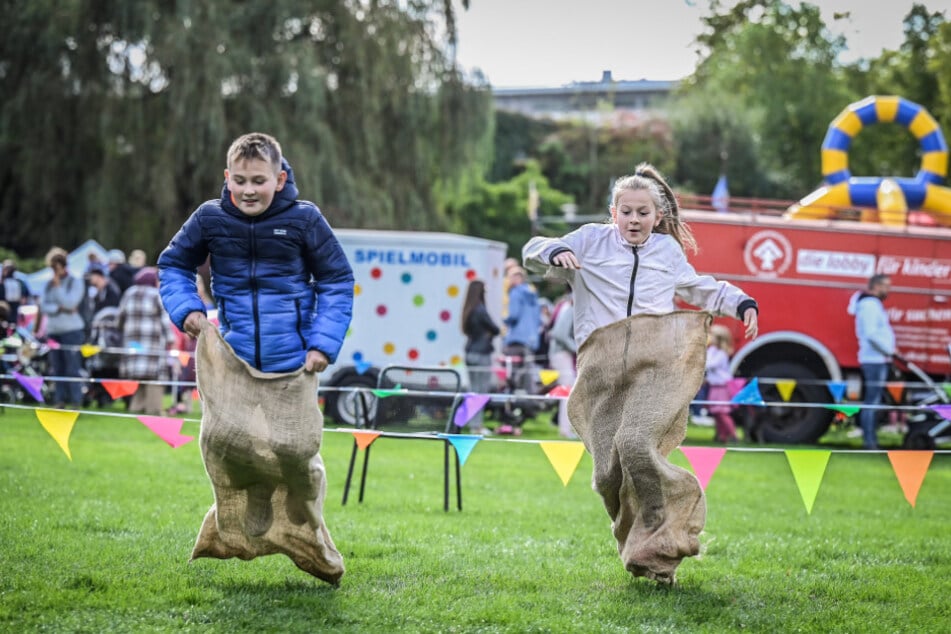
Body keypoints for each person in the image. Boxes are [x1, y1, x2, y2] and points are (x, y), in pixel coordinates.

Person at [523, 162, 758, 582]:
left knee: (634, 443)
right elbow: (533, 250)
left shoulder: (666, 252)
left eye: (643, 212)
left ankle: (667, 536)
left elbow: (697, 286)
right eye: (626, 212)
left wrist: (740, 302)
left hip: (656, 366)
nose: (634, 219)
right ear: (613, 213)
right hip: (602, 369)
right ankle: (637, 542)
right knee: (606, 475)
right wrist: (553, 251)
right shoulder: (590, 241)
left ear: (657, 216)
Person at [157, 131, 353, 583]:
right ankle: (250, 507)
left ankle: (307, 532)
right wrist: (187, 309)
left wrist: (323, 342)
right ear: (227, 177)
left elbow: (337, 280)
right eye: (240, 180)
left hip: (295, 360)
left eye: (259, 180)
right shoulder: (209, 218)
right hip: (234, 358)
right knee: (227, 441)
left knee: (295, 449)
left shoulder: (305, 220)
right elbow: (173, 264)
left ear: (280, 179)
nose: (248, 190)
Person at [847, 274, 896, 450]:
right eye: (886, 286)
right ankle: (870, 441)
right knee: (872, 402)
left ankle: (870, 439)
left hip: (878, 358)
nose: (888, 290)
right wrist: (889, 351)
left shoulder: (872, 305)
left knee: (873, 400)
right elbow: (871, 334)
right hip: (874, 359)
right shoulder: (869, 305)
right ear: (876, 286)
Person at [117, 267, 171, 415]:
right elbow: (165, 320)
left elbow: (119, 319)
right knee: (154, 377)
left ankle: (136, 408)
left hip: (133, 345)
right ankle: (154, 410)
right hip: (152, 343)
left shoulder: (128, 293)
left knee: (140, 378)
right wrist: (171, 338)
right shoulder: (156, 295)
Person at [40, 247, 87, 408]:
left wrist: (59, 287)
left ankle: (75, 401)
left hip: (72, 331)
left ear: (63, 265)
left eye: (56, 267)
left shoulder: (75, 281)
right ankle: (59, 401)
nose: (53, 271)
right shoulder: (47, 285)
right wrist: (59, 309)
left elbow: (71, 303)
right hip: (53, 331)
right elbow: (44, 306)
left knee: (72, 368)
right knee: (57, 368)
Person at [500, 266, 541, 433]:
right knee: (525, 383)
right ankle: (524, 414)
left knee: (510, 382)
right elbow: (538, 320)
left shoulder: (516, 293)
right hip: (530, 343)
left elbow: (513, 316)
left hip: (515, 341)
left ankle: (508, 419)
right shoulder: (533, 295)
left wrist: (504, 320)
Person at [461, 279, 500, 434]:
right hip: (482, 353)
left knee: (472, 391)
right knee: (481, 391)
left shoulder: (468, 309)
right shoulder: (480, 310)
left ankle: (472, 424)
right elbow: (495, 329)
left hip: (470, 352)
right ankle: (477, 426)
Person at [546, 293, 577, 438]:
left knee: (570, 391)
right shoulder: (571, 310)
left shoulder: (569, 309)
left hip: (563, 354)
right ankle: (565, 430)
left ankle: (568, 428)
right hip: (561, 353)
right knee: (567, 391)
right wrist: (577, 348)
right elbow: (559, 334)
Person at [705, 324, 738, 443]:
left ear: (718, 338)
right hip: (714, 386)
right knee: (716, 412)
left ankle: (734, 435)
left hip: (722, 387)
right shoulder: (711, 350)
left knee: (722, 412)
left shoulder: (721, 354)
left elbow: (709, 364)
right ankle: (722, 436)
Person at [1, 259, 31, 326]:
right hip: (7, 314)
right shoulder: (19, 282)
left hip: (11, 314)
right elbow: (25, 297)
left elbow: (24, 297)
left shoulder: (18, 282)